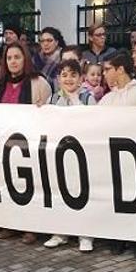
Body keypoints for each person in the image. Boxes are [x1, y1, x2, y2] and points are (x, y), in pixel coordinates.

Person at [98, 50, 136, 258]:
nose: (104, 73)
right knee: (117, 197)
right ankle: (118, 236)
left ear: (120, 69)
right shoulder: (107, 99)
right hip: (114, 157)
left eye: (107, 69)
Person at [0, 42, 51, 244]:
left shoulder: (38, 82)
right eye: (9, 58)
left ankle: (31, 226)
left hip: (30, 144)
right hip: (6, 146)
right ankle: (10, 223)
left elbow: (49, 111)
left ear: (25, 59)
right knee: (8, 183)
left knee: (31, 185)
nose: (13, 61)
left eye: (17, 57)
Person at [43, 59, 97, 252]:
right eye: (64, 75)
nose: (68, 79)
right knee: (60, 192)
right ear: (58, 78)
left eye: (73, 75)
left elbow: (95, 121)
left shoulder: (87, 97)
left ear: (81, 78)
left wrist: (74, 99)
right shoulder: (53, 98)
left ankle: (85, 235)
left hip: (82, 153)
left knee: (83, 193)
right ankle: (60, 232)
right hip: (59, 152)